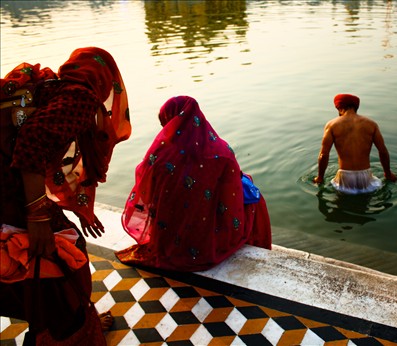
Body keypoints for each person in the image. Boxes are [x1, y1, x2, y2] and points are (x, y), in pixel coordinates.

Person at [0, 47, 131, 343]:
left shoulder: (56, 88)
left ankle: (61, 324)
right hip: (9, 190)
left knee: (54, 255)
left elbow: (46, 154)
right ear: (105, 81)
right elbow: (32, 143)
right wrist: (37, 217)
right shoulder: (81, 98)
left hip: (9, 183)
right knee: (59, 263)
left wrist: (76, 208)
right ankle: (62, 332)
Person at [115, 96, 271, 272]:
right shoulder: (221, 153)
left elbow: (145, 191)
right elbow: (232, 197)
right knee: (253, 195)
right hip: (209, 236)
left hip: (169, 235)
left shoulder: (160, 155)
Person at [313, 93, 397, 194]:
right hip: (366, 177)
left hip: (344, 177)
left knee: (341, 205)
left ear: (339, 107)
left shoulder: (332, 125)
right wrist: (388, 174)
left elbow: (323, 155)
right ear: (356, 106)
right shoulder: (371, 124)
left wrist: (320, 177)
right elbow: (382, 151)